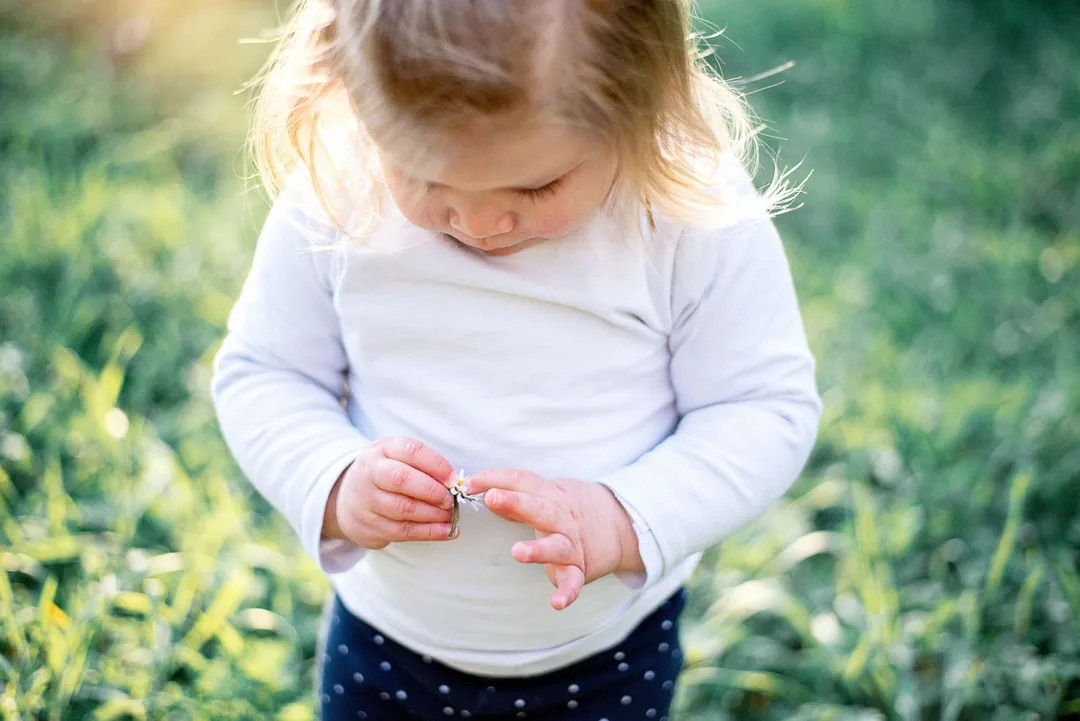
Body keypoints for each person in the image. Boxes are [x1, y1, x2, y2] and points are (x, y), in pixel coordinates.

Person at [211, 0, 822, 718]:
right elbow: (265, 371)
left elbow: (763, 407)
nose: (475, 222)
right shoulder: (342, 190)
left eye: (535, 186)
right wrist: (335, 479)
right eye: (423, 175)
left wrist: (623, 518)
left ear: (639, 102)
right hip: (385, 642)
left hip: (601, 661)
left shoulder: (683, 216)